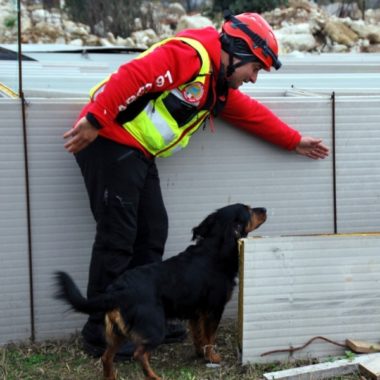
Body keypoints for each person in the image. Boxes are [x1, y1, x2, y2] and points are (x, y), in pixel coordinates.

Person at [63, 10, 329, 359]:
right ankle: (99, 332)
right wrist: (96, 119)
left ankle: (144, 316)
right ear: (238, 53)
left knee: (152, 231)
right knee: (117, 239)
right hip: (110, 141)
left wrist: (293, 140)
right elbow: (134, 75)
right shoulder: (192, 55)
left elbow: (249, 113)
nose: (254, 78)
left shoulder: (215, 83)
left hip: (137, 152)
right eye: (255, 68)